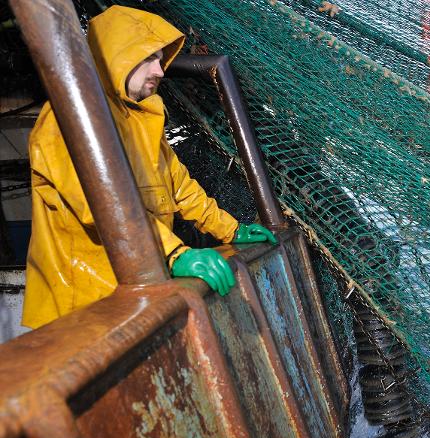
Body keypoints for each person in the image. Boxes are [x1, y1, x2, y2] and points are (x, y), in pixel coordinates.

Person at [22, 6, 276, 329]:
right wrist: (175, 254)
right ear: (115, 55)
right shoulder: (68, 122)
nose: (160, 70)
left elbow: (181, 189)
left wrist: (232, 230)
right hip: (77, 312)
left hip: (128, 303)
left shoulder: (143, 118)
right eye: (147, 58)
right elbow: (104, 208)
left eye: (159, 59)